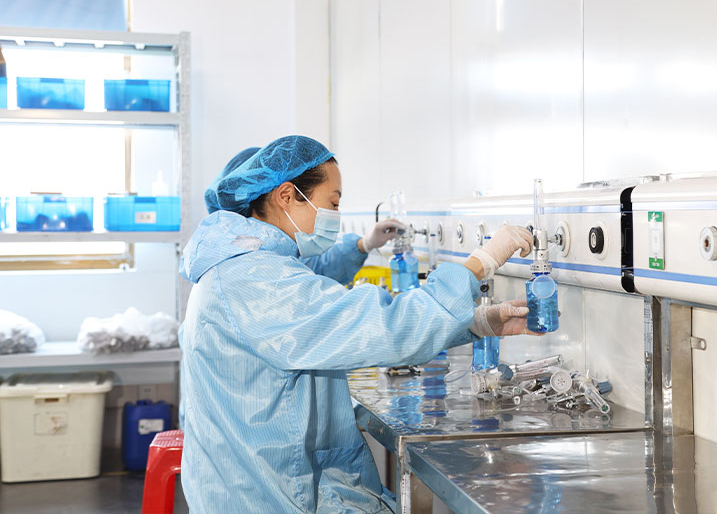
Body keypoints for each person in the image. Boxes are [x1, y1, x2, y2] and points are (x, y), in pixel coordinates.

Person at [179, 135, 534, 513]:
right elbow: (386, 328)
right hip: (270, 496)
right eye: (333, 203)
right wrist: (481, 262)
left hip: (269, 481)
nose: (335, 215)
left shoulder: (249, 265)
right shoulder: (254, 279)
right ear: (286, 196)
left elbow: (347, 326)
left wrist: (478, 324)